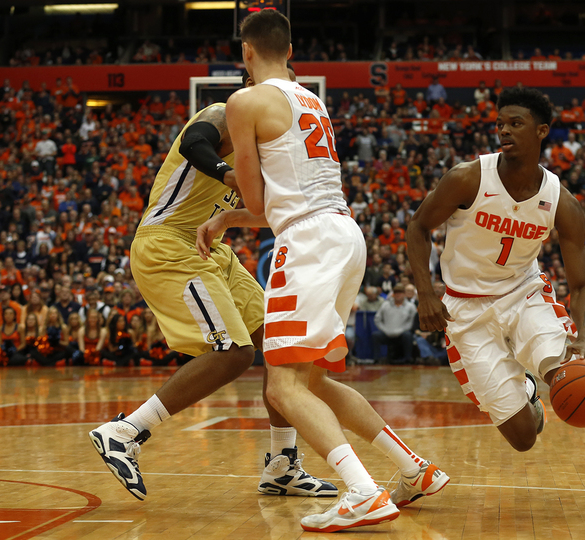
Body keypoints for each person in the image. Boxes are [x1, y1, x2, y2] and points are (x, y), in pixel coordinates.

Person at [196, 10, 448, 532]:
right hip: (342, 233)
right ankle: (413, 469)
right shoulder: (311, 99)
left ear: (246, 53)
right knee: (316, 380)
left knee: (281, 387)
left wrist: (225, 213)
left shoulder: (244, 102)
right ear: (289, 50)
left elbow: (258, 202)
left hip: (307, 241)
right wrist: (228, 219)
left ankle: (362, 492)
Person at [406, 86, 585, 516]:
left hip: (525, 296)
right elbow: (417, 228)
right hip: (464, 308)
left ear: (541, 131)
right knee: (523, 437)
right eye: (500, 123)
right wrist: (426, 293)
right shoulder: (467, 177)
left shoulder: (561, 201)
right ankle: (527, 391)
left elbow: (582, 285)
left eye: (515, 123)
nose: (503, 130)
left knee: (583, 380)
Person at [88, 65, 335, 501]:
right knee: (234, 353)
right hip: (168, 243)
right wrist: (226, 174)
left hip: (213, 248)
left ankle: (282, 465)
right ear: (251, 87)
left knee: (281, 347)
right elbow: (193, 142)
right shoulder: (223, 112)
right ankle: (125, 431)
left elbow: (263, 213)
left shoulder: (269, 147)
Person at [372, 283, 417, 364]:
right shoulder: (385, 305)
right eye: (396, 293)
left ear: (404, 294)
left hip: (402, 334)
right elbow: (377, 319)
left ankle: (408, 359)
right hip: (387, 333)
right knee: (375, 336)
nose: (398, 295)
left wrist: (402, 330)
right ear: (393, 294)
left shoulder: (411, 306)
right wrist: (384, 329)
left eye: (400, 293)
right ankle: (376, 359)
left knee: (408, 336)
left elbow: (411, 321)